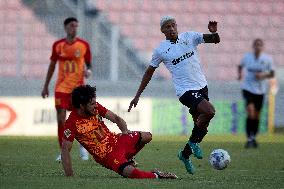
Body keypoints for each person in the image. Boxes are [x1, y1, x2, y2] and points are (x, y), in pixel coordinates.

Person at [128, 16, 220, 174]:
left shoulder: (189, 37)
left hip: (202, 87)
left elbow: (215, 40)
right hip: (185, 91)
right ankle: (193, 144)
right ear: (162, 30)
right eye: (167, 26)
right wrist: (137, 95)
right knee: (209, 111)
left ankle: (184, 155)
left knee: (201, 126)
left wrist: (214, 32)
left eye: (173, 25)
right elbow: (149, 73)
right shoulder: (160, 50)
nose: (171, 28)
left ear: (177, 26)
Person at [61, 85, 178, 179]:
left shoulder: (96, 107)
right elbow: (65, 149)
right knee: (132, 174)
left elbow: (116, 118)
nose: (95, 106)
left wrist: (125, 131)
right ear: (81, 106)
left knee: (147, 136)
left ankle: (127, 159)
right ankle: (157, 175)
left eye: (95, 102)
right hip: (108, 156)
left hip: (117, 140)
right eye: (91, 104)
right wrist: (69, 175)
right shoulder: (72, 123)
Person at [41, 17, 92, 161]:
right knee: (61, 120)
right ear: (65, 27)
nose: (74, 28)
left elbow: (89, 65)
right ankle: (64, 152)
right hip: (61, 88)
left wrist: (88, 71)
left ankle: (83, 148)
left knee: (81, 119)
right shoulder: (58, 45)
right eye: (71, 25)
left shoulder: (84, 45)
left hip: (78, 89)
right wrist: (45, 86)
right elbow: (52, 66)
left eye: (76, 25)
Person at [238, 39, 275, 148]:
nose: (258, 47)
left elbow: (272, 73)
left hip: (260, 91)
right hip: (248, 88)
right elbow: (240, 66)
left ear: (262, 47)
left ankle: (253, 137)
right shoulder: (247, 57)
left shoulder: (267, 59)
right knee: (250, 111)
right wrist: (240, 75)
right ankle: (249, 138)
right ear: (253, 46)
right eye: (256, 45)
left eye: (260, 45)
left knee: (256, 115)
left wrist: (263, 76)